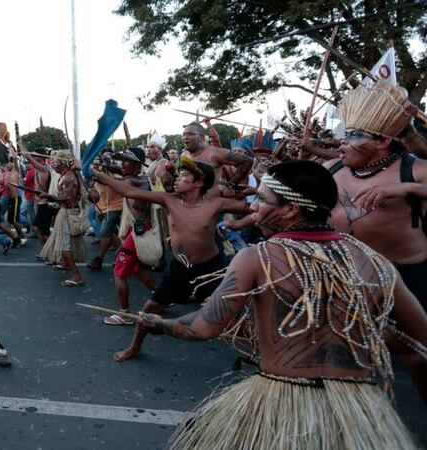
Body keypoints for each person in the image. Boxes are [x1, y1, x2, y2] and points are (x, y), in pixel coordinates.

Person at [137, 160, 425, 449]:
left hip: (281, 403)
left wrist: (160, 324)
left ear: (291, 209)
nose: (253, 207)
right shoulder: (375, 262)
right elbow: (419, 341)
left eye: (262, 199)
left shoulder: (259, 256)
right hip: (358, 415)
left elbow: (201, 328)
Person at [322, 80, 427, 402]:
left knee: (416, 354)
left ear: (382, 140)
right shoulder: (331, 168)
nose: (343, 142)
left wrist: (406, 189)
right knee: (339, 349)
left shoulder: (414, 170)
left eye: (354, 136)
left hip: (405, 274)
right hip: (345, 272)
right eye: (346, 134)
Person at [92, 156, 250, 361]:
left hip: (211, 270)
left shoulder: (215, 204)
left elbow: (254, 210)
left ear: (199, 182)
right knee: (149, 310)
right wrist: (96, 175)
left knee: (231, 313)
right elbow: (130, 192)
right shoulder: (169, 200)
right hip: (180, 267)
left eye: (183, 175)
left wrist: (241, 220)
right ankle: (134, 347)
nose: (176, 178)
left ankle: (260, 350)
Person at [103, 148, 158, 325]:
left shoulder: (136, 182)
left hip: (139, 233)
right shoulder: (138, 179)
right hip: (137, 231)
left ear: (136, 164)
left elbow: (112, 179)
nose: (122, 164)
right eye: (122, 161)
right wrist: (110, 161)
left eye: (126, 161)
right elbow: (117, 170)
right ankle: (162, 298)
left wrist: (91, 170)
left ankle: (124, 314)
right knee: (135, 269)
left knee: (119, 271)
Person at [38, 150, 86, 286]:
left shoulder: (68, 177)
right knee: (65, 244)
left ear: (62, 163)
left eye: (55, 162)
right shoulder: (68, 175)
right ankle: (66, 264)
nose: (53, 165)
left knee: (64, 246)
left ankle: (77, 276)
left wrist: (47, 196)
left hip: (68, 212)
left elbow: (66, 198)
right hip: (67, 211)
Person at [180, 122, 254, 198]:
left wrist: (231, 185)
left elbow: (247, 161)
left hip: (212, 203)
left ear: (202, 137)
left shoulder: (214, 153)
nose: (186, 137)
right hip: (188, 202)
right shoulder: (184, 155)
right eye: (184, 134)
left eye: (191, 134)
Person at [86, 151, 123, 271]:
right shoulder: (96, 176)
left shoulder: (116, 177)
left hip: (114, 208)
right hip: (100, 208)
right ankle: (124, 253)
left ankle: (98, 259)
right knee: (109, 234)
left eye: (102, 163)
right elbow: (91, 185)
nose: (100, 165)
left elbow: (105, 180)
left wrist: (97, 170)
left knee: (104, 233)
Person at [21, 147, 53, 244]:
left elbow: (29, 157)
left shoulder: (43, 168)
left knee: (44, 232)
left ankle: (49, 253)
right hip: (40, 203)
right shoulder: (40, 168)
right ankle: (46, 251)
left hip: (44, 204)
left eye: (35, 155)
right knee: (36, 228)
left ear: (41, 157)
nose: (33, 157)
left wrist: (23, 149)